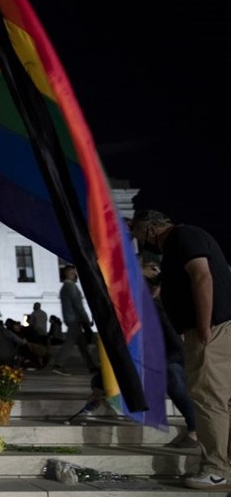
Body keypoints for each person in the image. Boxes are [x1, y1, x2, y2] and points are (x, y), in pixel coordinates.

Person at [131, 209, 231, 489]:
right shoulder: (182, 240)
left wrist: (203, 327)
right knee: (222, 400)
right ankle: (224, 465)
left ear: (151, 228)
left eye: (138, 234)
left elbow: (203, 277)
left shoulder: (183, 236)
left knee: (210, 399)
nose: (139, 240)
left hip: (213, 331)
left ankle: (216, 469)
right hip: (216, 329)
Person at [142, 256, 198, 449]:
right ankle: (195, 429)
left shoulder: (159, 305)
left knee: (174, 379)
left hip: (174, 356)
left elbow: (174, 339)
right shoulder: (150, 305)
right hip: (166, 357)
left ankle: (195, 430)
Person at [51, 264, 97, 376]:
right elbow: (78, 305)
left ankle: (92, 367)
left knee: (82, 345)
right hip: (74, 319)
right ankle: (58, 365)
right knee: (70, 342)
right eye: (74, 273)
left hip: (71, 318)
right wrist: (86, 319)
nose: (76, 275)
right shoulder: (71, 287)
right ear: (70, 274)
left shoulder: (64, 288)